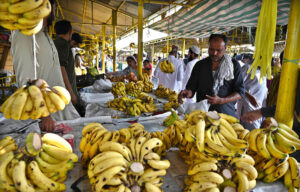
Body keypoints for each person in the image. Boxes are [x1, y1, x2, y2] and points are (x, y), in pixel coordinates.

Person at [10, 0, 79, 132]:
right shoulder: (24, 35)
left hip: (62, 114)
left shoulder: (45, 35)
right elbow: (25, 80)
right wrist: (44, 115)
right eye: (53, 7)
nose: (55, 11)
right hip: (47, 122)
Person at [179, 34, 245, 117]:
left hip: (225, 115)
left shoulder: (234, 65)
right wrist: (187, 93)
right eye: (211, 49)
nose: (214, 53)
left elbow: (240, 92)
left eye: (218, 50)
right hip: (202, 114)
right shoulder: (200, 65)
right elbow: (192, 87)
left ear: (225, 48)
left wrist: (222, 100)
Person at [237, 54, 268, 130]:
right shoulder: (247, 68)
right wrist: (249, 96)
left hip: (260, 107)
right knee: (250, 132)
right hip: (248, 106)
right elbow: (237, 85)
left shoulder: (264, 71)